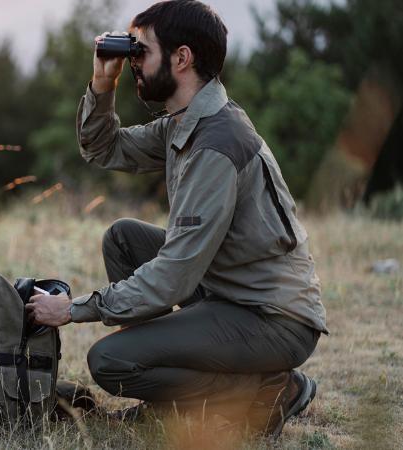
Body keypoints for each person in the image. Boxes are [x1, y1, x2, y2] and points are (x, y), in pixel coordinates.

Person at [24, 0, 327, 438]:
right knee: (124, 238)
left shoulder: (215, 145)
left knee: (109, 361)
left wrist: (72, 309)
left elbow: (173, 278)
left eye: (141, 52)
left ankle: (266, 393)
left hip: (273, 318)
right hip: (231, 290)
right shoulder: (185, 123)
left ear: (181, 58)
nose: (133, 64)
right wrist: (101, 84)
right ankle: (170, 401)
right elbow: (103, 148)